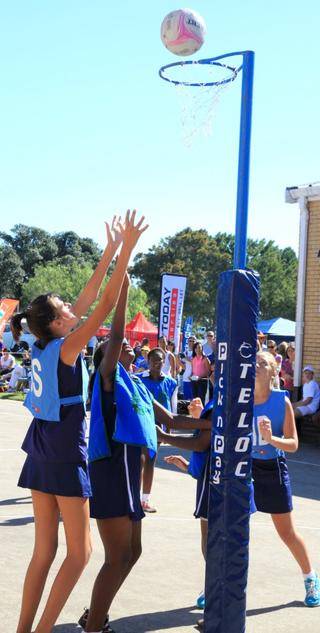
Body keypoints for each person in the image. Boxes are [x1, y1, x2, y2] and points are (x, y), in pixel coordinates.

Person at [12, 212, 148, 633]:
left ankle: (24, 630)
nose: (74, 307)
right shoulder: (68, 346)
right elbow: (103, 303)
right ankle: (42, 630)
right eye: (66, 308)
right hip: (66, 451)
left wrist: (107, 251)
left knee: (43, 553)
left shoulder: (43, 343)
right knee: (80, 554)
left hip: (38, 449)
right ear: (57, 322)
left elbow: (88, 298)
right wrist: (127, 249)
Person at [81, 280, 211, 632]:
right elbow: (118, 332)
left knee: (132, 552)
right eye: (115, 345)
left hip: (128, 476)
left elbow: (170, 419)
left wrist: (212, 423)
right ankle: (95, 624)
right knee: (117, 556)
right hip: (111, 471)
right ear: (104, 357)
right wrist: (122, 290)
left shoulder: (136, 383)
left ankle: (94, 613)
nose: (125, 346)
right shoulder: (106, 380)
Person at [252, 351, 320, 607]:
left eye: (263, 363)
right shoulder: (241, 397)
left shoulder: (282, 402)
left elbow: (293, 444)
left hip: (272, 469)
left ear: (273, 372)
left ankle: (310, 578)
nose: (257, 366)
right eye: (254, 362)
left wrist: (271, 440)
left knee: (287, 533)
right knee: (232, 530)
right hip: (246, 469)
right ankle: (217, 583)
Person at [139, 347, 178, 512]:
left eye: (160, 360)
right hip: (141, 426)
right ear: (148, 362)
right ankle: (134, 497)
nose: (157, 363)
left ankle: (144, 499)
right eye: (153, 360)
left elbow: (171, 406)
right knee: (140, 460)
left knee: (150, 461)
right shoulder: (138, 379)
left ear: (164, 362)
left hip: (159, 429)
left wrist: (170, 429)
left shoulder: (170, 382)